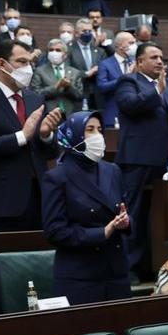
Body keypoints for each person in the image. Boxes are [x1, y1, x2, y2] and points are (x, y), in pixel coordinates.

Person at [114, 42, 168, 275]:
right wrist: (156, 91)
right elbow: (129, 105)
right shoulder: (128, 81)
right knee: (134, 214)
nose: (160, 61)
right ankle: (130, 268)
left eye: (162, 57)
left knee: (166, 215)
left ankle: (165, 267)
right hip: (139, 158)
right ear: (140, 62)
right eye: (154, 57)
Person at [0, 39, 63, 232]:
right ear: (2, 64)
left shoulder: (35, 98)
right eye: (22, 62)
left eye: (30, 63)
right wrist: (21, 136)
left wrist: (45, 136)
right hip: (2, 203)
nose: (28, 68)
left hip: (40, 200)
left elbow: (51, 152)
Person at [39, 110, 131, 305]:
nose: (97, 135)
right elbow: (54, 231)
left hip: (116, 272)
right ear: (75, 134)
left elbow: (125, 211)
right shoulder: (57, 177)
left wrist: (126, 222)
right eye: (90, 130)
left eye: (99, 129)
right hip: (80, 277)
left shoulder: (112, 170)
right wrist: (101, 233)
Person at [32, 38, 85, 115]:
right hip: (48, 114)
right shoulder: (39, 71)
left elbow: (79, 96)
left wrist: (69, 87)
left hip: (69, 114)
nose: (54, 52)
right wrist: (56, 86)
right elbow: (36, 95)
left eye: (58, 50)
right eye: (51, 50)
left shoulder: (75, 72)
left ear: (65, 55)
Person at [95, 31, 135, 128]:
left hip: (133, 116)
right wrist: (124, 77)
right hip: (113, 114)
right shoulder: (105, 64)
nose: (134, 46)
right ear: (120, 45)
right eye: (131, 43)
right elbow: (102, 87)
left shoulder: (134, 63)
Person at [68, 18, 106, 112]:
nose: (87, 33)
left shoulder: (99, 51)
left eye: (90, 31)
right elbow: (67, 71)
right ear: (76, 33)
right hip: (78, 92)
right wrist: (86, 73)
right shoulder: (69, 50)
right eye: (84, 31)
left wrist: (99, 70)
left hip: (97, 94)